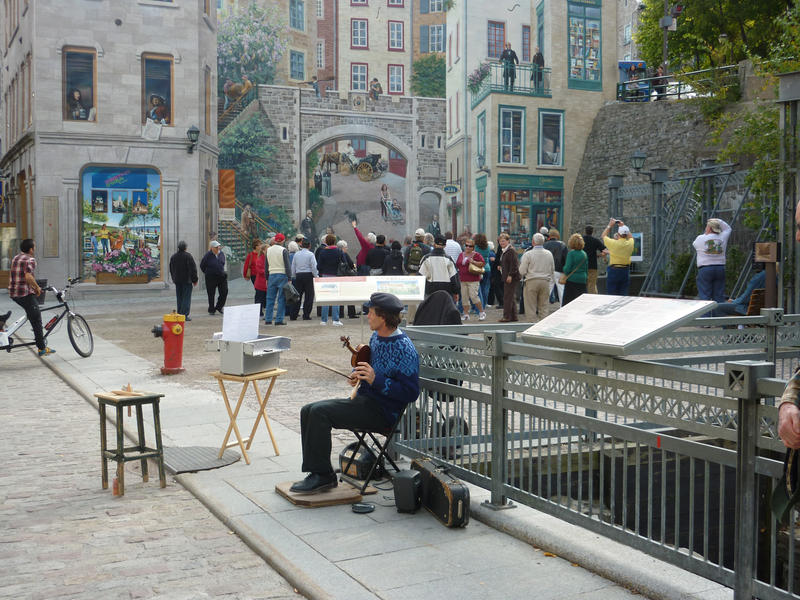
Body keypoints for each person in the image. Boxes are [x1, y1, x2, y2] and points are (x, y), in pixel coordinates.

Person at [290, 292, 419, 494]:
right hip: (365, 402)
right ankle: (318, 472)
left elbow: (410, 393)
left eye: (370, 312)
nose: (367, 315)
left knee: (319, 413)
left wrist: (376, 380)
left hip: (384, 413)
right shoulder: (376, 337)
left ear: (383, 316)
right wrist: (357, 375)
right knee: (308, 410)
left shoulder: (404, 349)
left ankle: (323, 476)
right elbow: (365, 364)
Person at [9, 239, 53, 356]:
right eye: (34, 247)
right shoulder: (30, 260)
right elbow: (28, 277)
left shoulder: (16, 258)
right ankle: (42, 348)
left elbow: (19, 277)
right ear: (31, 249)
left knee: (32, 312)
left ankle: (38, 339)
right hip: (23, 294)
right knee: (37, 319)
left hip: (14, 292)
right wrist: (37, 288)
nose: (35, 249)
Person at [693, 218, 732, 312]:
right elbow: (728, 228)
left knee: (704, 295)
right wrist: (718, 220)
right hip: (720, 268)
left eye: (707, 226)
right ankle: (718, 319)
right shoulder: (723, 237)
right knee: (719, 295)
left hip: (705, 269)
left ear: (709, 228)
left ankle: (706, 321)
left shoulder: (700, 238)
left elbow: (694, 245)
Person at [519, 233, 555, 323]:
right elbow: (552, 269)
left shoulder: (528, 254)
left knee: (530, 306)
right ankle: (543, 326)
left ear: (533, 242)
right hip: (545, 281)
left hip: (531, 281)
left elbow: (522, 271)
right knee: (544, 306)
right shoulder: (549, 254)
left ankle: (531, 326)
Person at [418, 235, 460, 301]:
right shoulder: (449, 259)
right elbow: (454, 277)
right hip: (446, 290)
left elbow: (421, 275)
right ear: (445, 245)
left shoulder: (426, 258)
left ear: (434, 244)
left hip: (430, 289)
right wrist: (456, 292)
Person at [601, 219, 635, 295]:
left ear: (618, 234)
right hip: (625, 270)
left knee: (611, 294)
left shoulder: (613, 243)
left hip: (614, 270)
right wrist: (623, 226)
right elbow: (631, 237)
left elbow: (603, 235)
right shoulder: (630, 243)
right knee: (623, 294)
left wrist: (610, 225)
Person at [263, 234, 291, 326]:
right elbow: (287, 265)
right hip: (282, 275)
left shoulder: (268, 250)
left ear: (275, 240)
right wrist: (289, 278)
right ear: (283, 241)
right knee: (281, 298)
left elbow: (266, 265)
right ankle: (279, 319)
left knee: (270, 298)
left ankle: (268, 319)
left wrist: (266, 278)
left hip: (271, 275)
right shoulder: (284, 250)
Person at [317, 233, 344, 326]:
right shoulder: (339, 251)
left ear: (326, 242)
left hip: (325, 276)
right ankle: (335, 319)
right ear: (334, 241)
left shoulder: (323, 252)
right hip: (336, 275)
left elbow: (319, 266)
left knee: (326, 297)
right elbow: (344, 263)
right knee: (335, 297)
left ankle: (324, 320)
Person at [455, 238, 486, 320]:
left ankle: (481, 312)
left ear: (473, 247)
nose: (468, 247)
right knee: (464, 298)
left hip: (473, 279)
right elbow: (457, 264)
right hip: (463, 279)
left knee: (474, 296)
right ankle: (466, 314)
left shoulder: (476, 255)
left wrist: (473, 262)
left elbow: (482, 263)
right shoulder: (461, 254)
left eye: (470, 246)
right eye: (466, 245)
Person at [169, 241, 198, 321]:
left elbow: (171, 269)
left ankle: (179, 313)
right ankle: (184, 315)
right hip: (187, 280)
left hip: (177, 280)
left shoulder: (173, 256)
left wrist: (173, 278)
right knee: (186, 298)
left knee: (179, 297)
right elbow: (193, 269)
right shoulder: (188, 256)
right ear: (185, 247)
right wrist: (195, 280)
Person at [290, 238, 318, 321]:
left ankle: (293, 315)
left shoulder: (297, 254)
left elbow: (293, 266)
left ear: (301, 245)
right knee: (309, 296)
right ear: (309, 246)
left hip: (298, 276)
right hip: (308, 276)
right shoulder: (311, 254)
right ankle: (306, 315)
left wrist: (293, 275)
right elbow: (314, 266)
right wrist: (316, 276)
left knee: (297, 296)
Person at [200, 240, 228, 315]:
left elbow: (223, 263)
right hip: (211, 277)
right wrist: (207, 272)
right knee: (211, 294)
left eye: (218, 246)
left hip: (221, 276)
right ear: (212, 248)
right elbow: (202, 265)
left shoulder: (221, 254)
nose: (217, 248)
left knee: (224, 292)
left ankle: (219, 306)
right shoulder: (207, 255)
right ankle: (211, 309)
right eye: (216, 247)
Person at [561, 233, 588, 306]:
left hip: (572, 280)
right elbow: (586, 268)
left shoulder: (571, 254)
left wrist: (563, 268)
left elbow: (567, 269)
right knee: (580, 303)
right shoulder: (584, 254)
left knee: (569, 303)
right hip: (582, 279)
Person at [498, 232, 520, 322]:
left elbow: (514, 264)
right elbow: (506, 262)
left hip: (511, 277)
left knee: (507, 297)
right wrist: (500, 266)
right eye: (500, 241)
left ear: (508, 241)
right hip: (506, 275)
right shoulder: (505, 251)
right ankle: (514, 316)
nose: (501, 243)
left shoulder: (511, 251)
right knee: (511, 297)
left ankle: (506, 316)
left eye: (503, 241)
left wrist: (510, 275)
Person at [544, 228, 567, 304]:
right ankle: (562, 306)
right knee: (561, 290)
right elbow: (565, 258)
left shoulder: (545, 245)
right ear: (557, 236)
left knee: (548, 289)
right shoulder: (562, 245)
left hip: (548, 270)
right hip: (559, 270)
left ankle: (543, 308)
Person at [582, 225, 608, 294]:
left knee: (583, 285)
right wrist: (599, 255)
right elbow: (605, 251)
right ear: (592, 232)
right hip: (592, 266)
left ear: (585, 231)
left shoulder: (581, 240)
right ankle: (592, 300)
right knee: (592, 285)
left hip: (581, 266)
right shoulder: (595, 241)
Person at [338, 240, 359, 318]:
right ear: (343, 247)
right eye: (346, 247)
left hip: (339, 276)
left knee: (340, 296)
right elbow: (350, 264)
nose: (347, 249)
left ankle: (340, 313)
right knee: (349, 294)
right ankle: (351, 313)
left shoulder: (336, 254)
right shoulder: (345, 254)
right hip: (346, 276)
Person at [473, 233, 492, 310]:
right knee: (486, 288)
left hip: (477, 268)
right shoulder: (487, 247)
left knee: (477, 289)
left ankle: (477, 307)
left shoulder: (476, 248)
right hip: (487, 268)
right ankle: (483, 305)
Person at [253, 242, 268, 317]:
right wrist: (268, 271)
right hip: (260, 283)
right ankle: (258, 312)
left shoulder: (268, 258)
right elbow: (259, 270)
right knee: (259, 299)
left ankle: (262, 311)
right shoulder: (260, 259)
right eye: (267, 250)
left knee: (264, 299)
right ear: (263, 251)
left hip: (266, 283)